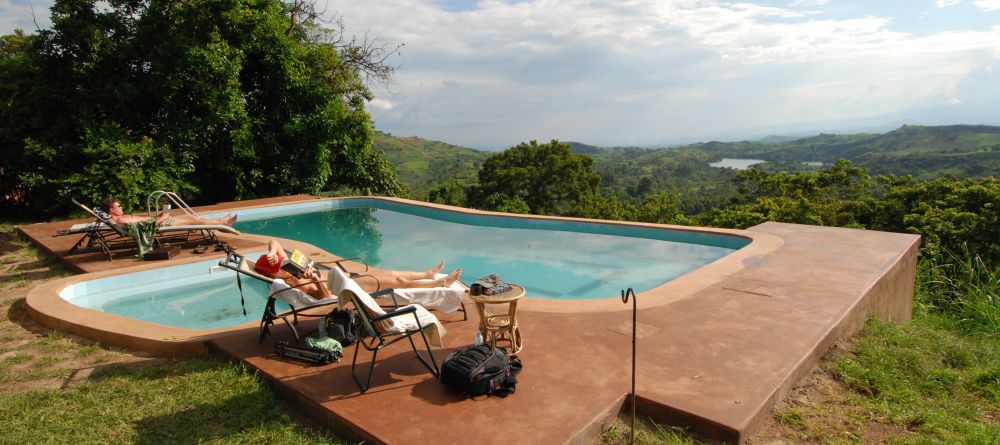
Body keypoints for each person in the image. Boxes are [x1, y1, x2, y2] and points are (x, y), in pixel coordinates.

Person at [254, 239, 462, 301]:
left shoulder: (288, 269)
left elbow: (274, 242)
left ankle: (427, 274)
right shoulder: (297, 283)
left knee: (390, 273)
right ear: (274, 274)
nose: (282, 263)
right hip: (347, 286)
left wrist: (273, 252)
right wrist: (316, 279)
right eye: (277, 266)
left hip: (347, 276)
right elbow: (325, 298)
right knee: (396, 282)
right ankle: (439, 283)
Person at [101, 197, 237, 227]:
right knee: (193, 220)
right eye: (119, 206)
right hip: (160, 223)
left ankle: (221, 221)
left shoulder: (120, 218)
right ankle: (223, 222)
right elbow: (146, 227)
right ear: (112, 210)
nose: (121, 207)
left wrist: (161, 215)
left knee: (190, 216)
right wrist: (161, 218)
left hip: (158, 219)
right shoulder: (121, 220)